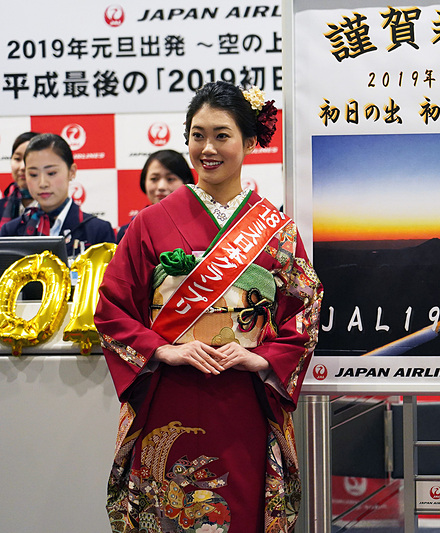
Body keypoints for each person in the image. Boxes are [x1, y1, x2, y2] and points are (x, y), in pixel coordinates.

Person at [95, 81, 323, 533]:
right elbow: (112, 308)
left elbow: (306, 307)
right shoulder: (150, 224)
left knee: (240, 509)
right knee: (169, 508)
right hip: (169, 393)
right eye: (198, 135)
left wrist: (260, 357)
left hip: (243, 398)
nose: (208, 148)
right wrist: (163, 350)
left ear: (249, 142)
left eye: (222, 135)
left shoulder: (275, 230)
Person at [0, 133, 115, 258]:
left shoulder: (98, 231)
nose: (43, 183)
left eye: (51, 173)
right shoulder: (11, 231)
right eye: (33, 174)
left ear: (72, 172)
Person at [116, 149, 195, 243]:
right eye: (154, 179)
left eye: (170, 179)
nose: (161, 186)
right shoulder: (127, 232)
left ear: (186, 182)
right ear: (144, 181)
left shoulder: (201, 227)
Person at [0, 131, 40, 227]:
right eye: (17, 159)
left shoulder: (54, 208)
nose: (22, 167)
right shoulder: (1, 207)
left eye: (29, 159)